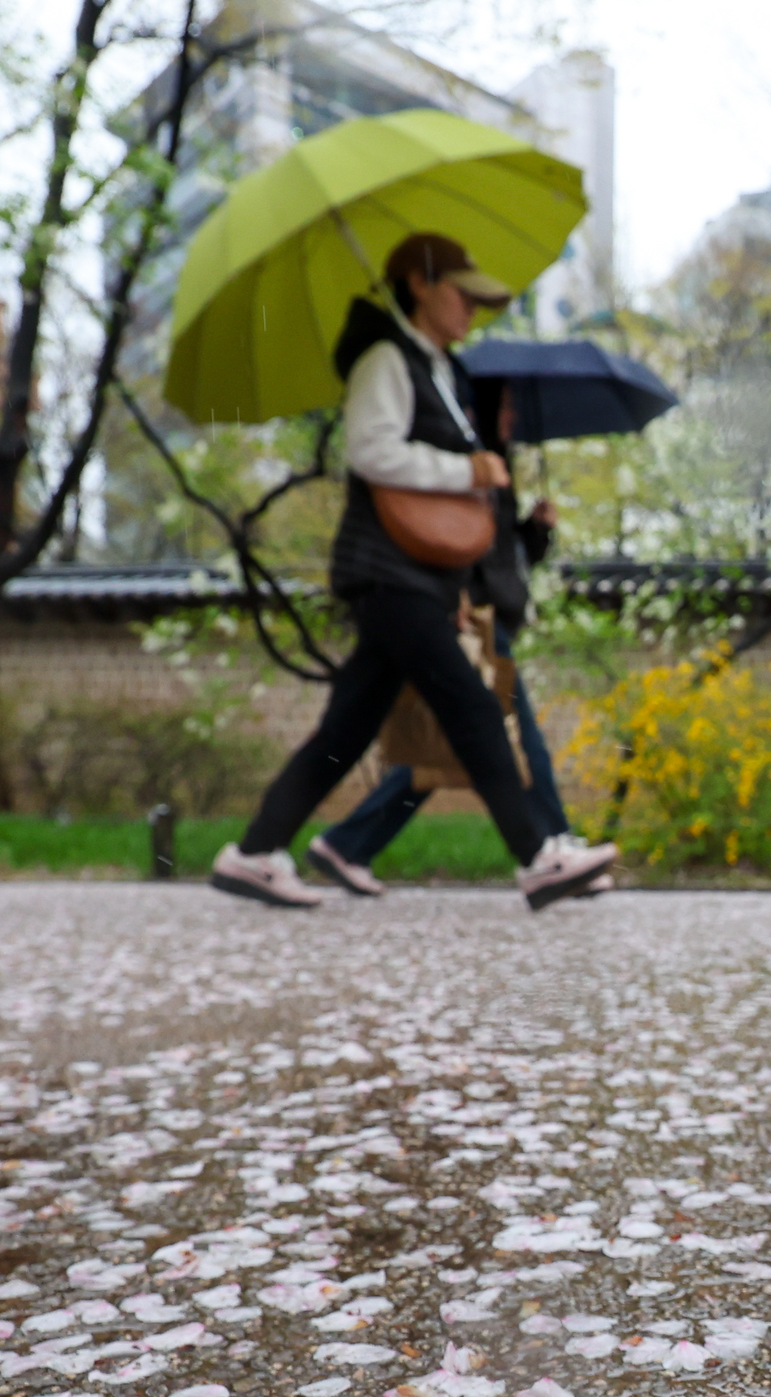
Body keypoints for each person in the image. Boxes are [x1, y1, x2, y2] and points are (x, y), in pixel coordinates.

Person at [210, 232, 615, 912]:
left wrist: (455, 586)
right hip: (387, 573)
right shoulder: (385, 361)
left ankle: (254, 852)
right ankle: (537, 855)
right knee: (474, 707)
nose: (470, 312)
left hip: (416, 580)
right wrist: (467, 468)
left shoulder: (434, 368)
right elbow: (370, 453)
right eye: (462, 294)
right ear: (420, 284)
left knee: (347, 730)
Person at [307, 379, 584, 898]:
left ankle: (347, 844)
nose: (512, 417)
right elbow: (450, 540)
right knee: (514, 737)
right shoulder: (464, 467)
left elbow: (499, 554)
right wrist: (451, 595)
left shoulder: (495, 471)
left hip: (484, 612)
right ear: (479, 407)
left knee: (442, 751)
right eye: (504, 406)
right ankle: (555, 843)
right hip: (472, 619)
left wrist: (537, 531)